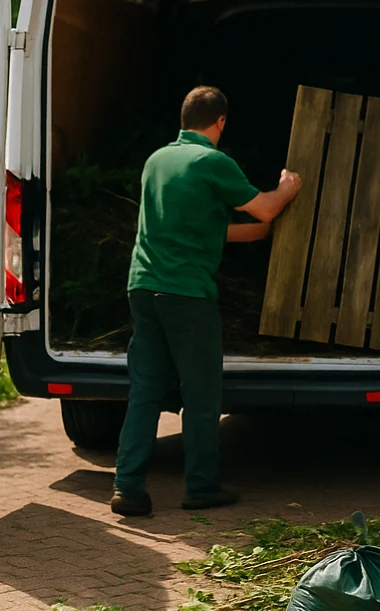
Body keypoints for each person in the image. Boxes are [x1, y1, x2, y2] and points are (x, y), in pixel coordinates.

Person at [110, 86, 302, 517]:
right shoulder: (212, 162)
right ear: (220, 122)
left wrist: (263, 231)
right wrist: (288, 188)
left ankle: (128, 488)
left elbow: (223, 229)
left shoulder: (158, 161)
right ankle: (200, 486)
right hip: (186, 295)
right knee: (200, 394)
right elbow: (266, 211)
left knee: (144, 391)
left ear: (183, 119)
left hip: (143, 288)